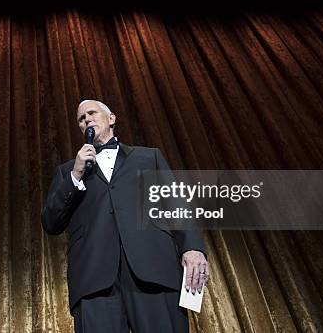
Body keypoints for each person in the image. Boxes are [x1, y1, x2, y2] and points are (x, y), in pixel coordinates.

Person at [42, 99, 209, 332]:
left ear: (111, 119)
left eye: (91, 113)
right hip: (94, 279)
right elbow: (51, 222)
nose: (86, 119)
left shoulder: (148, 157)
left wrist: (192, 247)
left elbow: (176, 203)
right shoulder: (68, 171)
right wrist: (76, 175)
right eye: (81, 119)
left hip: (153, 269)